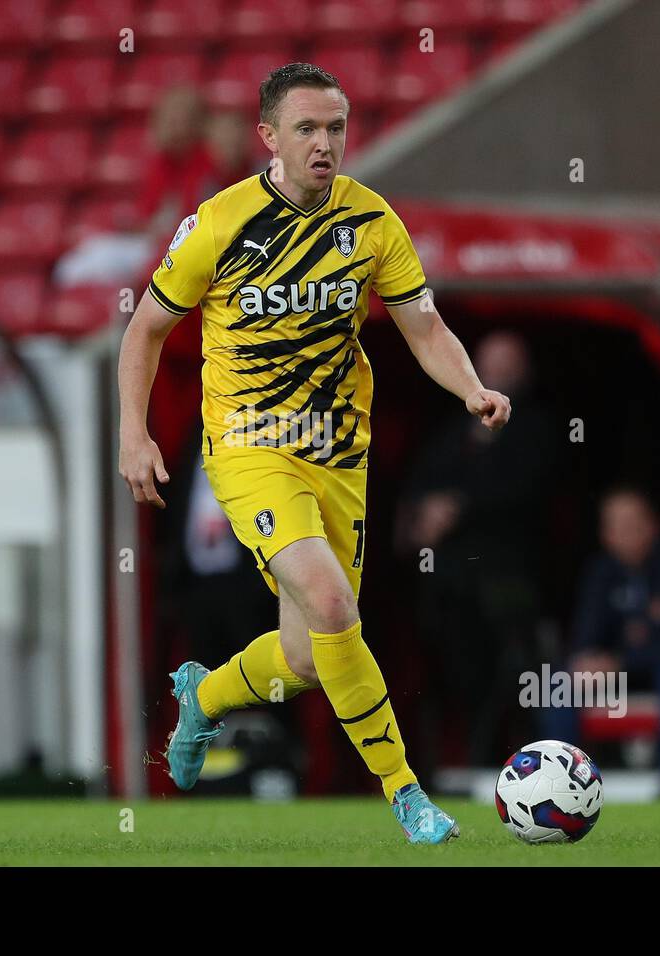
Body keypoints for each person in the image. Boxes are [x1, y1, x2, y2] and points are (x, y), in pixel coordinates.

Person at [117, 63, 511, 844]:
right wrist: (135, 433)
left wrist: (470, 388)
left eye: (335, 127)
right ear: (268, 137)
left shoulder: (371, 222)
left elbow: (423, 327)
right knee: (336, 607)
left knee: (305, 657)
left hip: (338, 455)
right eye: (307, 128)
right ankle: (406, 795)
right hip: (250, 446)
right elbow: (146, 330)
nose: (325, 143)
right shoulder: (221, 222)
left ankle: (206, 699)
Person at [401, 331, 561, 768]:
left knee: (514, 679)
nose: (499, 375)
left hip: (511, 588)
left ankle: (524, 763)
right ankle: (455, 764)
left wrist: (459, 507)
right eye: (491, 364)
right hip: (450, 591)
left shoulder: (538, 429)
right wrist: (422, 516)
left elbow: (530, 490)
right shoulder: (451, 433)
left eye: (509, 365)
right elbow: (417, 489)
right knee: (452, 676)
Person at [550, 487, 660, 795]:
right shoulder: (600, 573)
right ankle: (561, 783)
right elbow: (586, 636)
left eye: (634, 523)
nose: (626, 533)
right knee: (560, 682)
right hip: (620, 675)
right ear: (607, 535)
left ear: (653, 525)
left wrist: (621, 661)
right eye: (617, 526)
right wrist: (588, 660)